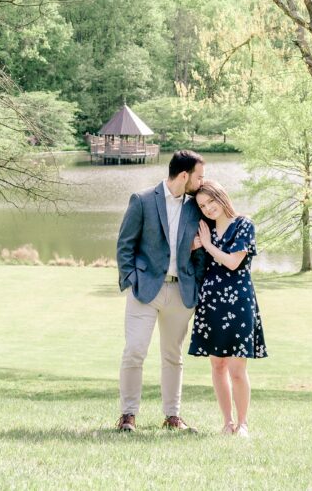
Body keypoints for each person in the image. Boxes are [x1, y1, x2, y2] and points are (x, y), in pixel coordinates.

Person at [115, 150, 207, 433]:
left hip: (181, 293)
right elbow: (125, 244)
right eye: (199, 176)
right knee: (134, 350)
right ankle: (128, 415)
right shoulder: (142, 200)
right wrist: (131, 279)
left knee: (173, 356)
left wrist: (198, 282)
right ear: (184, 175)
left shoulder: (196, 206)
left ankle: (172, 416)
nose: (202, 182)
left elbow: (201, 250)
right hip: (146, 291)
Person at [188, 179, 267, 437]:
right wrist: (195, 245)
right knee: (217, 366)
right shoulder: (204, 229)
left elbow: (233, 263)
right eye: (202, 205)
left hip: (239, 301)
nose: (208, 208)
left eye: (211, 201)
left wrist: (209, 246)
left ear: (221, 197)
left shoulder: (244, 224)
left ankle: (243, 423)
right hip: (211, 302)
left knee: (236, 368)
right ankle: (227, 422)